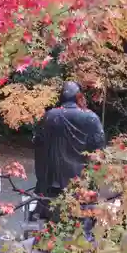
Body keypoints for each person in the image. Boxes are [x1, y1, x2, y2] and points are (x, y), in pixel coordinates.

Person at [31, 81, 105, 221]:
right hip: (82, 183)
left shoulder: (50, 116)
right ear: (78, 97)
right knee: (82, 226)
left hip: (53, 182)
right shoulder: (90, 118)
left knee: (51, 224)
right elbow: (99, 148)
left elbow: (38, 143)